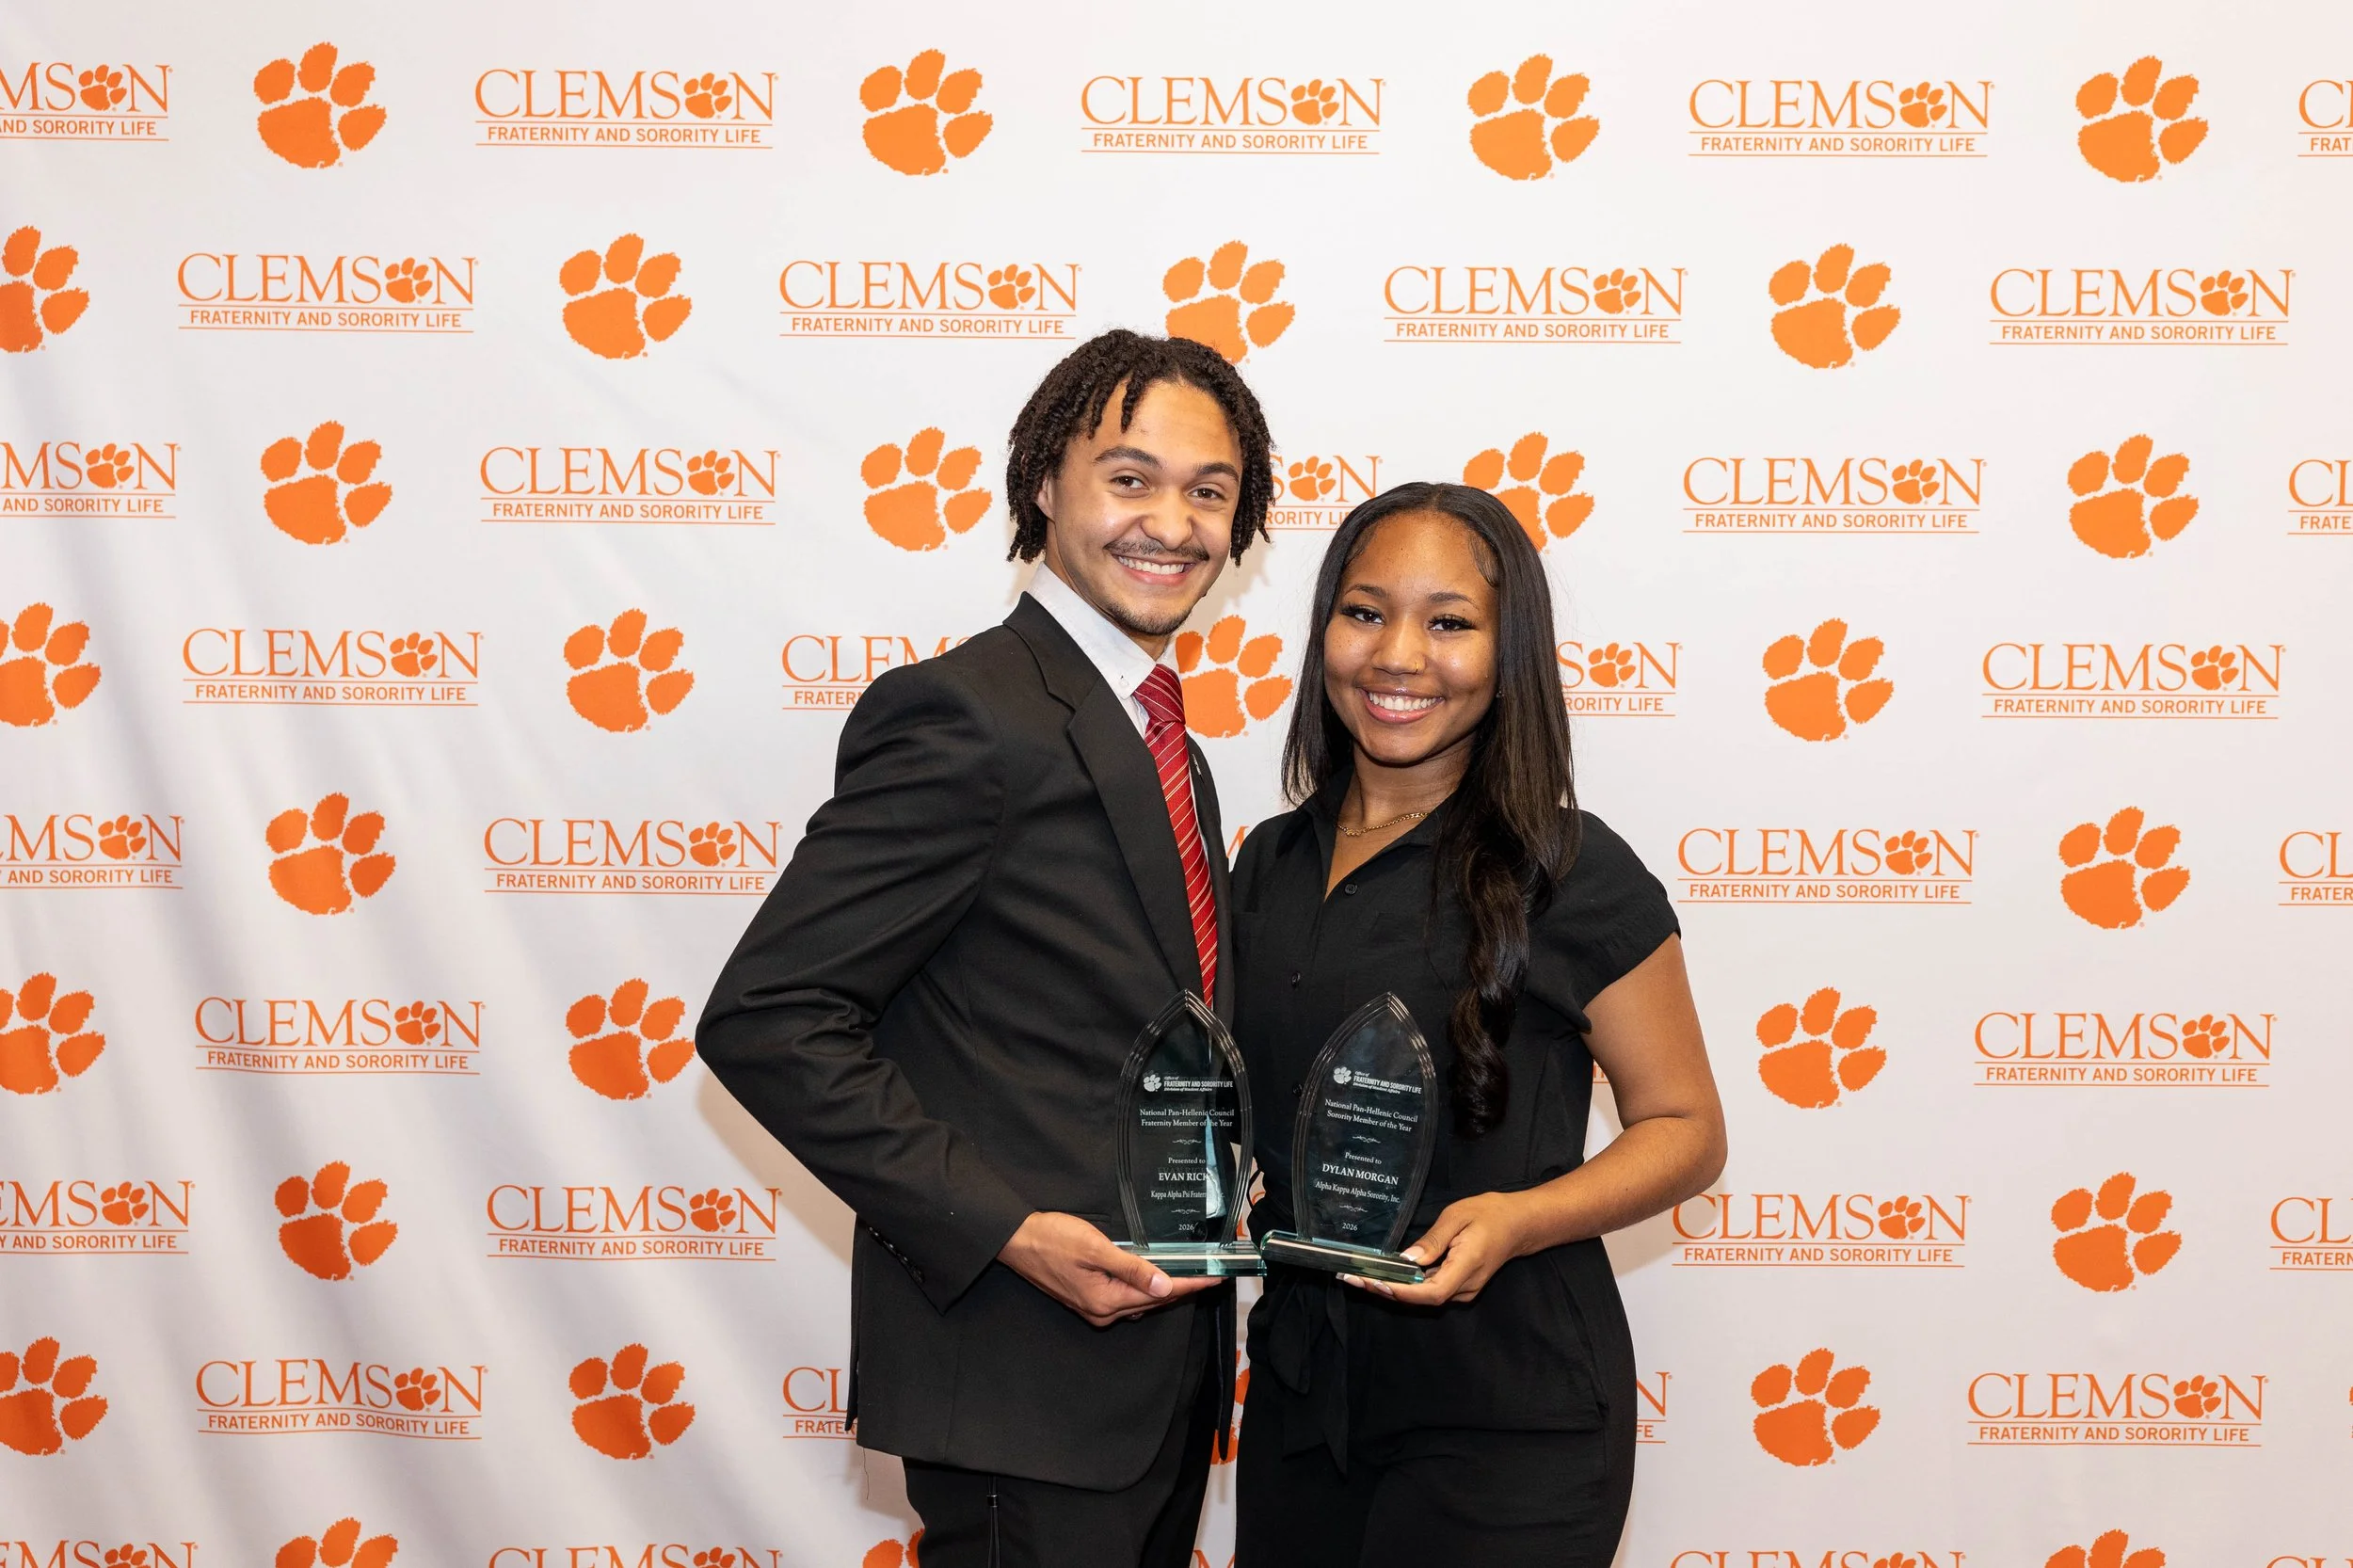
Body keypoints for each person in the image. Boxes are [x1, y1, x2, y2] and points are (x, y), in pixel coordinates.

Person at [697, 329, 1276, 1568]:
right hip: (1022, 1378)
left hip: (1159, 1376)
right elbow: (770, 1016)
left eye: (1209, 491)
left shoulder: (1168, 742)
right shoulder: (966, 715)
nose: (1171, 521)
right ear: (1044, 484)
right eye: (1130, 477)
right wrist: (1008, 1226)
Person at [1229, 482, 1727, 1567]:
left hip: (1507, 1415)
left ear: (1509, 655)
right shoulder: (1264, 862)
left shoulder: (1571, 868)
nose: (1397, 654)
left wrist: (1515, 1219)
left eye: (1448, 622)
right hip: (1302, 1400)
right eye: (1364, 612)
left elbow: (1686, 1127)